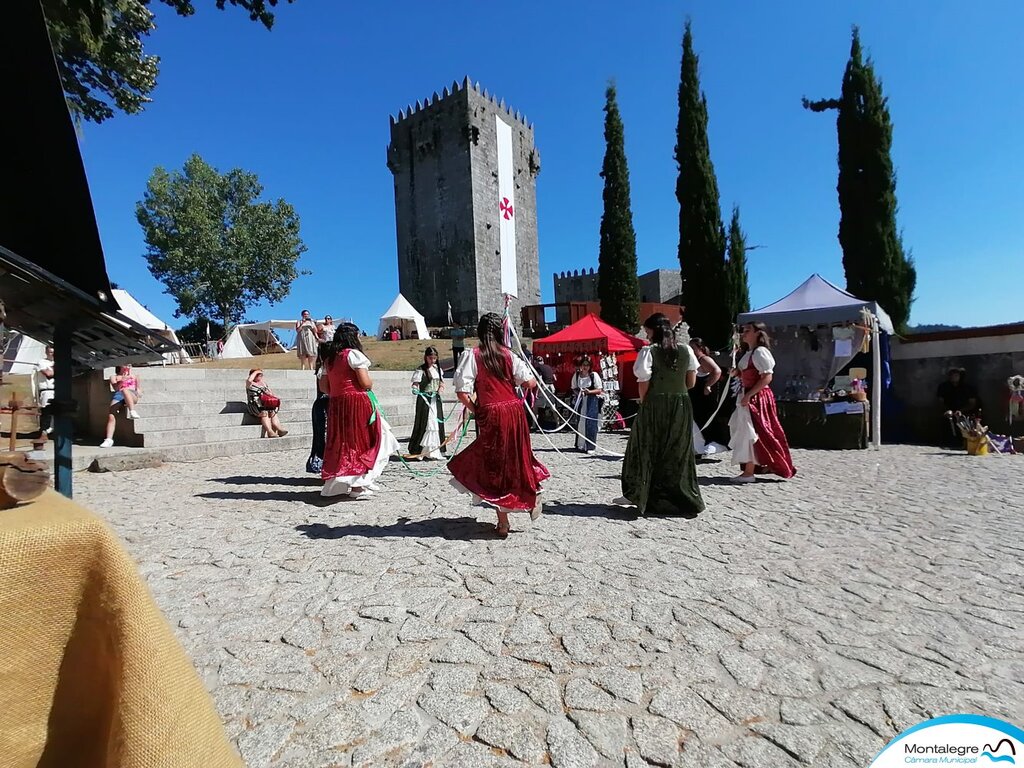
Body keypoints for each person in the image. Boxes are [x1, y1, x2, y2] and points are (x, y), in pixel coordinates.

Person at [447, 313, 549, 538]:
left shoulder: (473, 355)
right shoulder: (509, 355)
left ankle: (503, 522)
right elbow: (531, 381)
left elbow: (462, 392)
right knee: (518, 456)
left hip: (492, 414)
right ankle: (533, 491)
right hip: (514, 412)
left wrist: (477, 410)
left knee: (495, 465)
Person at [614, 313, 705, 516]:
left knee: (646, 447)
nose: (646, 334)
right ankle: (678, 498)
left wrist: (647, 402)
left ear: (653, 331)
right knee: (677, 450)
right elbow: (690, 382)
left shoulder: (649, 351)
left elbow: (643, 384)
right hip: (681, 404)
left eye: (647, 331)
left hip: (655, 404)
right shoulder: (686, 350)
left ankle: (638, 493)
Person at [321, 323, 399, 498]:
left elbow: (324, 387)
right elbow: (365, 383)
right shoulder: (354, 355)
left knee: (342, 442)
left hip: (336, 404)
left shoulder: (329, 359)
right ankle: (358, 485)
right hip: (356, 402)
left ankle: (348, 481)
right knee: (362, 441)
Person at [727, 323, 796, 482]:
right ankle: (753, 468)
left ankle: (749, 472)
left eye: (747, 331)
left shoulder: (760, 352)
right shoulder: (748, 353)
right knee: (748, 432)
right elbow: (749, 373)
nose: (744, 334)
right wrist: (737, 373)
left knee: (753, 432)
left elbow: (766, 377)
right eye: (743, 331)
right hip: (748, 396)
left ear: (758, 333)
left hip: (756, 398)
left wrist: (749, 395)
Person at [408, 346, 447, 460]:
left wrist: (440, 389)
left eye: (435, 358)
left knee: (436, 423)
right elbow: (415, 384)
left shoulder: (438, 370)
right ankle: (421, 450)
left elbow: (442, 383)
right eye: (430, 358)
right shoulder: (421, 370)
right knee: (426, 423)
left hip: (435, 400)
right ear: (426, 357)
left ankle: (435, 451)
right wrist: (415, 389)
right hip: (425, 400)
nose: (433, 361)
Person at [689, 337, 723, 452]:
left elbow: (717, 371)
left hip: (704, 396)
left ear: (701, 348)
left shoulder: (704, 359)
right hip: (696, 396)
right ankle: (698, 446)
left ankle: (711, 443)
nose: (691, 350)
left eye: (693, 348)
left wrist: (708, 385)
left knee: (704, 419)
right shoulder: (694, 360)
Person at [99, 365, 143, 448]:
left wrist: (139, 392)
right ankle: (108, 439)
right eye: (125, 364)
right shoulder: (114, 377)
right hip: (119, 395)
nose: (127, 366)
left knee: (125, 390)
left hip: (131, 394)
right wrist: (122, 381)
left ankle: (132, 411)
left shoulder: (135, 376)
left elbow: (138, 390)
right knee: (111, 414)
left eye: (129, 365)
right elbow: (116, 388)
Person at [937, 367, 981, 446]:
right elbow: (940, 402)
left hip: (965, 413)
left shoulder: (968, 388)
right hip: (948, 412)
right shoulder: (943, 387)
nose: (953, 377)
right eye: (952, 375)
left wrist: (961, 411)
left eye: (956, 375)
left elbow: (972, 403)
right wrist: (947, 410)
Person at [571, 354, 603, 453]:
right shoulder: (576, 375)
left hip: (591, 402)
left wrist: (589, 392)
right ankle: (580, 444)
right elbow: (574, 388)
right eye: (583, 365)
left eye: (587, 365)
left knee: (591, 423)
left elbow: (599, 390)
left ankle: (590, 446)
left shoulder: (594, 375)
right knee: (580, 422)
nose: (585, 367)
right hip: (581, 401)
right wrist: (579, 393)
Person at [306, 345, 330, 473]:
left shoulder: (323, 367)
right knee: (323, 437)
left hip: (322, 404)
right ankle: (322, 465)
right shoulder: (323, 369)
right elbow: (325, 390)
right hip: (324, 405)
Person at [246, 369, 289, 438]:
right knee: (264, 413)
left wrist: (271, 395)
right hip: (255, 405)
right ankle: (270, 431)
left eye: (261, 375)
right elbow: (249, 380)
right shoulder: (250, 384)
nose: (260, 377)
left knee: (273, 412)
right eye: (258, 375)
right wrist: (256, 372)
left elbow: (271, 393)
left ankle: (279, 429)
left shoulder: (263, 383)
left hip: (266, 404)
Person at [34, 345, 55, 435]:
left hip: (56, 389)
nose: (52, 354)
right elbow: (48, 373)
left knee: (57, 412)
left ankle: (53, 429)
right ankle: (43, 431)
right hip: (47, 390)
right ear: (46, 352)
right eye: (50, 352)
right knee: (46, 411)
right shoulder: (42, 362)